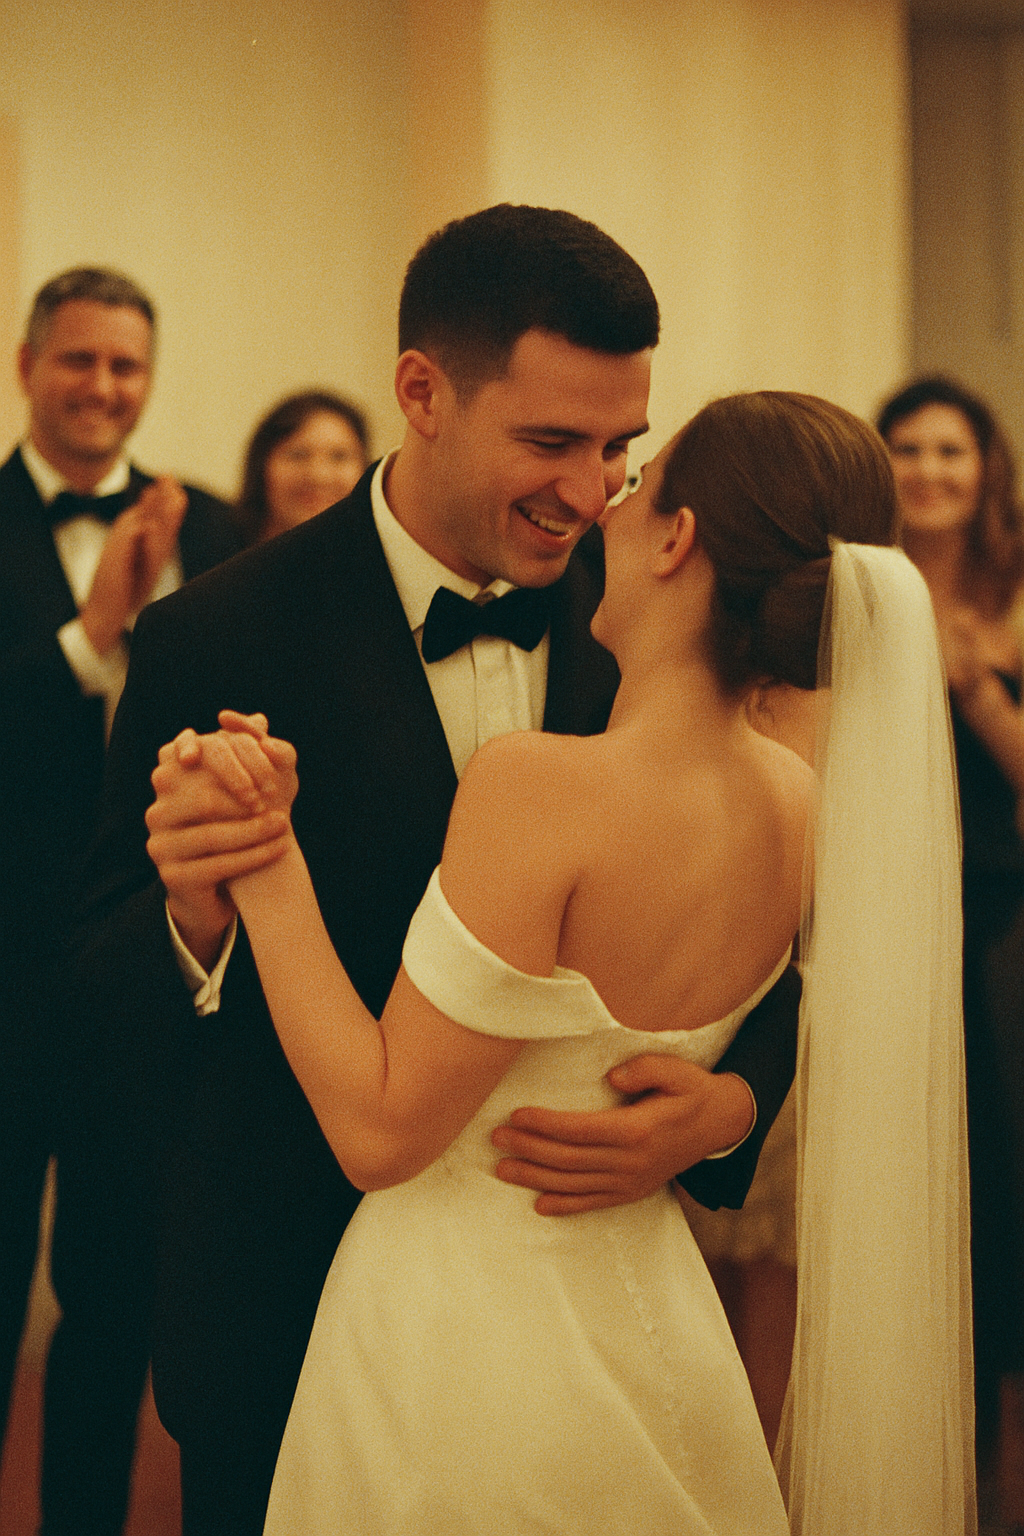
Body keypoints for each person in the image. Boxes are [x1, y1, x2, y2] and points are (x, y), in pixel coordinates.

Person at [78, 206, 799, 1536]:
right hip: (283, 1309)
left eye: (620, 449)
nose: (591, 494)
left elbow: (781, 947)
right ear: (422, 391)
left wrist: (730, 1108)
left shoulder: (653, 617)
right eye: (550, 441)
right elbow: (91, 978)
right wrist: (191, 911)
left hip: (582, 1346)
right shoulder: (218, 628)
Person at [161, 391, 973, 1535]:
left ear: (677, 540)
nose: (602, 499)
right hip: (654, 1316)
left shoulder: (537, 786)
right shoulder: (795, 800)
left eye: (635, 478)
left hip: (455, 1330)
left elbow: (382, 1130)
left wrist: (262, 854)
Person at [0, 266, 240, 1533]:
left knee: (111, 1300)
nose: (103, 387)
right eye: (79, 360)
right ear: (27, 364)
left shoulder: (213, 524)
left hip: (135, 976)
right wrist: (92, 640)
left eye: (126, 367)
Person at [878, 375, 1024, 1492]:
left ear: (985, 471)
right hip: (880, 910)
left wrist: (975, 686)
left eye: (949, 451)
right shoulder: (850, 590)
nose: (928, 470)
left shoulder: (1015, 594)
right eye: (908, 449)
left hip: (998, 918)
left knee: (993, 1162)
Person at [234, 390, 370, 544]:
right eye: (298, 455)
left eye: (339, 457)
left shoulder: (378, 562)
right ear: (261, 464)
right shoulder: (214, 553)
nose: (319, 476)